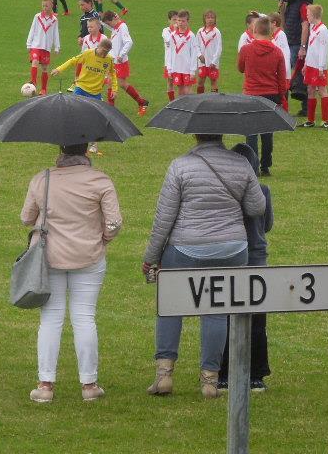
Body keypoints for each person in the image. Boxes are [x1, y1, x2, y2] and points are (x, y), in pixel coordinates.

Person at [142, 133, 266, 399]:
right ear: (221, 135)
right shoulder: (241, 164)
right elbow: (257, 207)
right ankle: (210, 380)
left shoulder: (180, 165)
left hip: (186, 246)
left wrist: (151, 256)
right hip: (232, 248)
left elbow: (164, 217)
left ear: (195, 134)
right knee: (216, 312)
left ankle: (164, 375)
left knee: (170, 307)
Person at [22, 144, 123, 403]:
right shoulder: (100, 180)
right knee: (85, 317)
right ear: (85, 152)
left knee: (50, 319)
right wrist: (103, 238)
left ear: (61, 151)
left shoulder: (42, 179)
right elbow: (114, 222)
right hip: (89, 256)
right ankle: (89, 385)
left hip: (50, 257)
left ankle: (45, 385)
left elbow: (26, 218)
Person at [219, 143, 273, 392]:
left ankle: (222, 373)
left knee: (226, 314)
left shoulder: (224, 191)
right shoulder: (262, 190)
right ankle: (257, 374)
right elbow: (268, 224)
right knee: (257, 319)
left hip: (231, 257)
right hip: (256, 258)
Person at [237, 17, 287, 177]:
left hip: (251, 93)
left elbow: (240, 68)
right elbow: (282, 78)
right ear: (271, 32)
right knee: (267, 132)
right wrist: (282, 98)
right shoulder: (277, 52)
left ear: (254, 30)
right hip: (271, 94)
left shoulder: (246, 49)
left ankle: (253, 166)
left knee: (250, 132)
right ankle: (266, 165)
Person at [101, 10, 148, 115]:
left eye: (109, 23)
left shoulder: (122, 27)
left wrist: (121, 55)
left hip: (120, 61)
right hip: (113, 61)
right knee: (110, 82)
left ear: (113, 19)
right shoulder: (116, 26)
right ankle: (111, 108)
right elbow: (107, 24)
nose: (109, 26)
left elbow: (129, 42)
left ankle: (141, 102)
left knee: (121, 83)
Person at [51, 39, 118, 101]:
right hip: (81, 88)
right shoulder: (88, 53)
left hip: (96, 92)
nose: (104, 54)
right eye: (103, 51)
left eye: (107, 52)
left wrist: (114, 90)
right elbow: (73, 61)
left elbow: (113, 74)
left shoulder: (109, 59)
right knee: (74, 108)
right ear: (98, 46)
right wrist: (58, 69)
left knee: (92, 113)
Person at [279, 0, 310, 116]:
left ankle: (306, 108)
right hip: (289, 44)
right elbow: (284, 26)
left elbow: (305, 26)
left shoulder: (303, 5)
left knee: (299, 76)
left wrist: (303, 47)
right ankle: (284, 106)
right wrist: (281, 11)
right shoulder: (289, 5)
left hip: (298, 45)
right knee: (286, 74)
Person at [301, 4, 328, 129]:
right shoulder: (313, 28)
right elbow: (311, 48)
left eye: (308, 14)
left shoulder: (323, 30)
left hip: (319, 66)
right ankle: (310, 120)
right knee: (310, 90)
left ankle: (325, 120)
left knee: (322, 90)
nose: (306, 16)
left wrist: (321, 68)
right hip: (311, 64)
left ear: (314, 15)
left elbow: (323, 50)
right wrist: (305, 64)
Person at [26, 0, 61, 96]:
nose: (45, 8)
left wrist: (57, 46)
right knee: (35, 61)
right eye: (43, 6)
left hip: (46, 47)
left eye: (46, 6)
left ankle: (43, 89)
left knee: (45, 68)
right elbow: (32, 30)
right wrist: (29, 43)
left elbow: (55, 33)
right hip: (36, 45)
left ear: (51, 6)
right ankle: (33, 82)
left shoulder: (54, 20)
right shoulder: (37, 17)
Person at [168, 10, 203, 98]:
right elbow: (170, 52)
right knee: (180, 92)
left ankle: (190, 110)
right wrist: (169, 68)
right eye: (179, 20)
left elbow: (194, 54)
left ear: (187, 21)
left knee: (187, 93)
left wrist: (192, 71)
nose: (180, 23)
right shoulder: (172, 35)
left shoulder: (191, 36)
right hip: (177, 68)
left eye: (183, 21)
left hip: (187, 69)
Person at [268, 13, 291, 112]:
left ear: (274, 23)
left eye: (269, 22)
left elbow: (284, 54)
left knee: (282, 95)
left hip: (283, 72)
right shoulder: (274, 35)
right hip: (278, 71)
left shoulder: (281, 35)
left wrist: (283, 71)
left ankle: (285, 114)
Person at [196, 10, 222, 93]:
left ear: (215, 19)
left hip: (212, 62)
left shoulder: (216, 32)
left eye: (212, 17)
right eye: (208, 17)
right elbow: (196, 45)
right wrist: (199, 55)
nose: (210, 19)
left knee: (213, 81)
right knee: (200, 81)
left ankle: (214, 101)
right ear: (204, 19)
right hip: (202, 61)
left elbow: (219, 48)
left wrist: (214, 61)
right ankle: (199, 98)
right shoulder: (200, 31)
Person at [162, 10, 179, 102]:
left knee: (181, 83)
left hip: (180, 61)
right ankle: (171, 102)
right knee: (170, 81)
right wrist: (175, 31)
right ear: (169, 20)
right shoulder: (165, 31)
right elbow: (169, 40)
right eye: (174, 20)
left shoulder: (182, 31)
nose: (176, 22)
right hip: (169, 62)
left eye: (177, 19)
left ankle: (181, 102)